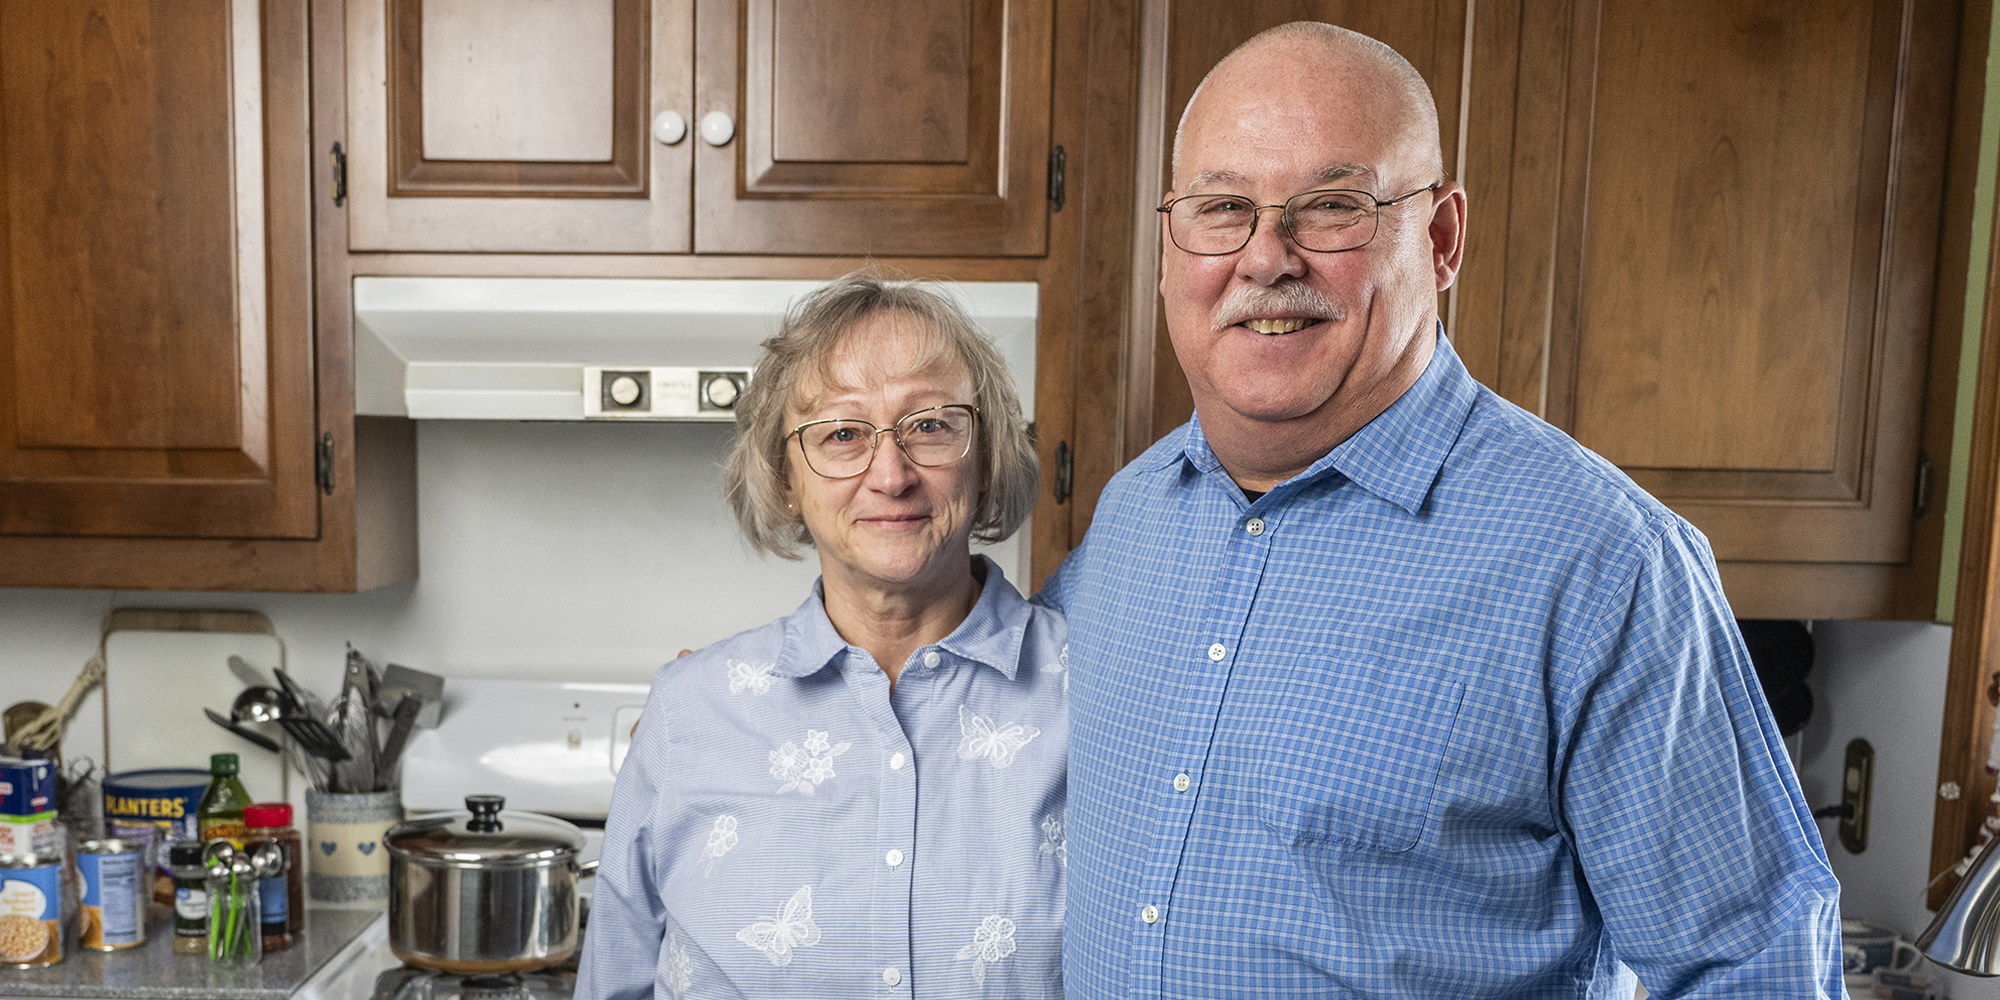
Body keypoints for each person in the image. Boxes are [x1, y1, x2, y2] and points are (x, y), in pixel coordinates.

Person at [1037, 22, 1842, 999]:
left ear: (1442, 235)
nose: (1264, 259)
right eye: (1221, 208)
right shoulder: (1128, 520)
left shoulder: (1601, 565)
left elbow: (1750, 969)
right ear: (1170, 244)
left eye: (1331, 206)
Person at [578, 273, 1068, 1000]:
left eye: (931, 424)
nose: (891, 473)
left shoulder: (1093, 691)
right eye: (842, 434)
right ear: (784, 477)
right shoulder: (689, 712)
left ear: (987, 453)